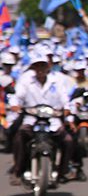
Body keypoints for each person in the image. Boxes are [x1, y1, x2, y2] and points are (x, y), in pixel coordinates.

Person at [8, 55, 76, 185]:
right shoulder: (26, 81)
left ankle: (63, 170)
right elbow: (17, 96)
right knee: (20, 136)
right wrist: (15, 105)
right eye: (37, 66)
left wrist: (67, 109)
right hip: (32, 119)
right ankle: (17, 170)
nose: (40, 69)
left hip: (53, 120)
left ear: (48, 67)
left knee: (68, 140)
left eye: (43, 66)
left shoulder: (56, 82)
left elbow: (64, 98)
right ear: (33, 68)